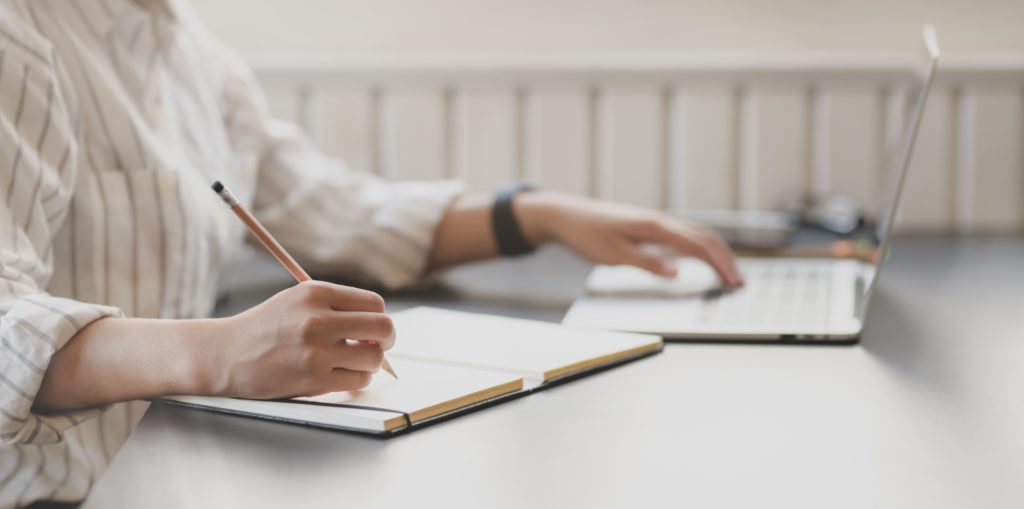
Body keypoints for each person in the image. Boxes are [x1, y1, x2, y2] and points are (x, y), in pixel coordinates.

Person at [0, 0, 742, 507]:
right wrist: (218, 352)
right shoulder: (19, 35)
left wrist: (536, 214)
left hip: (171, 474)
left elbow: (335, 210)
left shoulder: (192, 53)